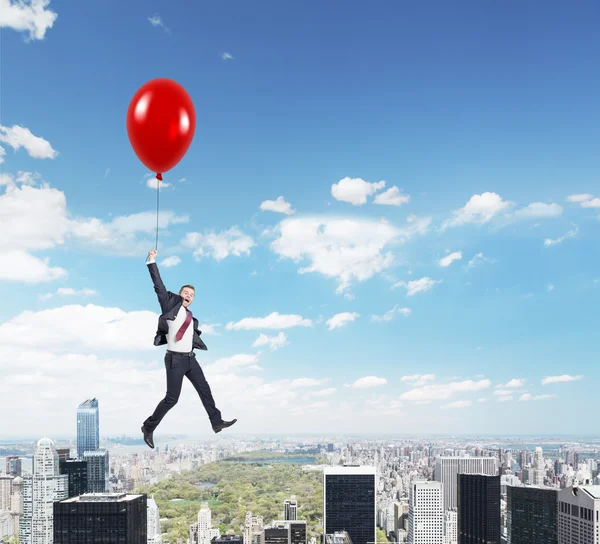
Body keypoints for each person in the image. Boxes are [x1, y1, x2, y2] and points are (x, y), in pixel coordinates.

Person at [141, 249, 237, 448]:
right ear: (179, 294)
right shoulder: (170, 304)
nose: (189, 296)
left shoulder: (191, 316)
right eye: (186, 292)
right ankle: (148, 427)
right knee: (171, 399)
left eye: (192, 295)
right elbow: (158, 285)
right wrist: (151, 261)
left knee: (205, 389)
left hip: (190, 360)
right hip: (175, 359)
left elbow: (190, 336)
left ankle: (216, 422)